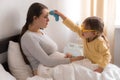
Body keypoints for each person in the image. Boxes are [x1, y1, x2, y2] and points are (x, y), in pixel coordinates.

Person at [19, 2, 83, 75]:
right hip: (44, 70)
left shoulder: (40, 33)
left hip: (52, 66)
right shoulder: (28, 37)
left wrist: (65, 57)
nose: (48, 20)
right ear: (35, 18)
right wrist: (72, 60)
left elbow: (51, 54)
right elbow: (47, 61)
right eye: (45, 17)